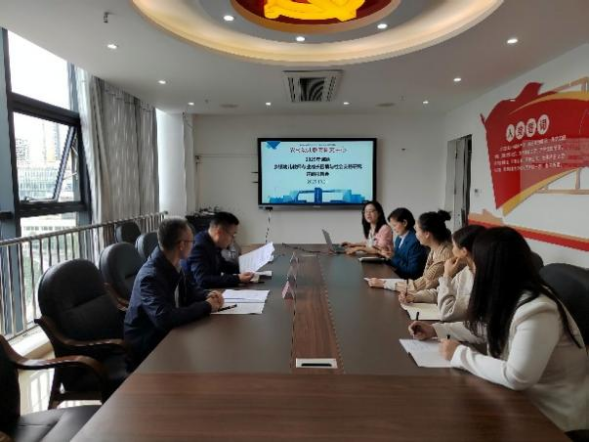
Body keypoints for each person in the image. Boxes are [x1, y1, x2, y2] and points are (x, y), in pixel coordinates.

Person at [409, 227, 587, 433]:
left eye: (475, 264)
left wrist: (459, 354)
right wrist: (436, 330)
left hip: (553, 420)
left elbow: (517, 376)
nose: (472, 270)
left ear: (493, 269)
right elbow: (485, 328)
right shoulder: (512, 294)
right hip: (521, 403)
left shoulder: (538, 310)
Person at [124, 217, 224, 370]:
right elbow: (165, 318)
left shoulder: (172, 263)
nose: (194, 245)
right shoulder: (150, 277)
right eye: (192, 242)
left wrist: (208, 294)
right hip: (149, 350)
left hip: (170, 336)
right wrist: (207, 306)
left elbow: (189, 291)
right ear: (181, 245)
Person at [401, 224, 485, 321]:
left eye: (454, 246)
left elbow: (448, 313)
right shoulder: (467, 270)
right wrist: (414, 297)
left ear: (464, 251)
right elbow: (439, 292)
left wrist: (447, 275)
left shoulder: (481, 278)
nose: (451, 250)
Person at [368, 210, 453, 293]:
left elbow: (419, 285)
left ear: (427, 234)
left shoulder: (444, 256)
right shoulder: (434, 250)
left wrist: (384, 284)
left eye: (417, 230)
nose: (415, 234)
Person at [183, 212, 254, 289]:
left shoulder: (212, 242)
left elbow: (222, 265)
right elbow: (203, 280)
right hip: (196, 293)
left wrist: (244, 268)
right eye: (232, 235)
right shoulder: (199, 246)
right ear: (219, 232)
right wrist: (237, 279)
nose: (233, 239)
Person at [377, 208, 427, 280]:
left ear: (404, 223)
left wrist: (393, 257)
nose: (393, 229)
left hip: (410, 281)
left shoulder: (415, 241)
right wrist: (387, 256)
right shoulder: (399, 238)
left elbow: (413, 271)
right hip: (398, 276)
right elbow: (398, 260)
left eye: (394, 225)